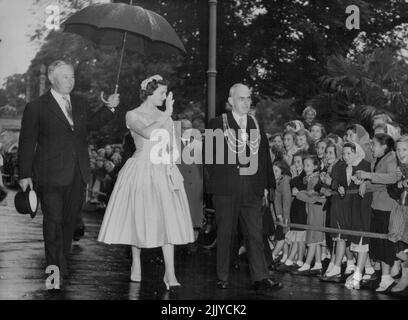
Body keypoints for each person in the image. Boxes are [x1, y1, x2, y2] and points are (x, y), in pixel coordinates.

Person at [18, 60, 120, 291]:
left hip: (78, 174)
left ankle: (62, 261)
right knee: (53, 223)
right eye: (65, 77)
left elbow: (91, 125)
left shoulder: (80, 103)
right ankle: (53, 272)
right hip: (50, 175)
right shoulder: (36, 107)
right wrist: (24, 174)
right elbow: (26, 141)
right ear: (53, 79)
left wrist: (110, 108)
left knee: (68, 223)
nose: (71, 81)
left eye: (72, 76)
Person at [98, 75, 194, 290]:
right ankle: (136, 264)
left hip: (162, 170)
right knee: (139, 216)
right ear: (149, 93)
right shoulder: (132, 115)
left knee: (167, 220)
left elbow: (172, 146)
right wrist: (167, 114)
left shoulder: (165, 116)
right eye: (161, 93)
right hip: (141, 168)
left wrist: (173, 159)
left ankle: (170, 274)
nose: (165, 97)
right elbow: (149, 133)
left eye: (166, 93)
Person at [206, 83, 282, 291]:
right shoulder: (217, 123)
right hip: (226, 190)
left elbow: (264, 157)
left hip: (252, 190)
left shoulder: (256, 124)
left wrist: (268, 185)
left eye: (249, 98)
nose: (247, 102)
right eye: (242, 98)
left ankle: (260, 277)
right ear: (231, 101)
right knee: (225, 234)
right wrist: (215, 187)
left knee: (255, 235)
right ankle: (223, 276)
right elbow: (209, 159)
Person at [177, 118, 204, 250]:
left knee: (194, 216)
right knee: (180, 215)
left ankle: (191, 244)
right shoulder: (174, 145)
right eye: (184, 128)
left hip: (196, 186)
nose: (187, 131)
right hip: (180, 185)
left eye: (189, 128)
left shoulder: (199, 145)